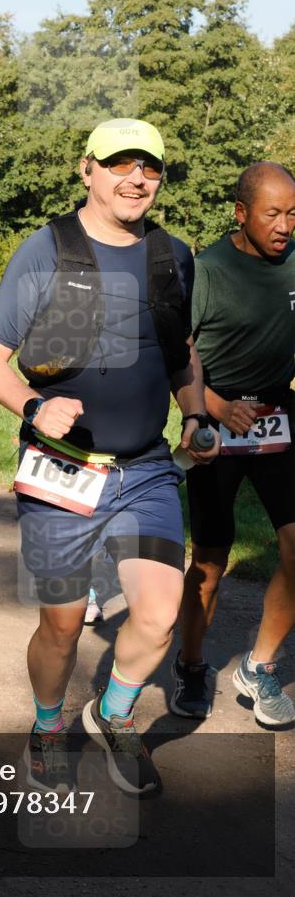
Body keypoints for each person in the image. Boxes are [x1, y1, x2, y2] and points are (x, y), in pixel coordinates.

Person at [0, 118, 218, 795]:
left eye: (151, 168)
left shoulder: (171, 255)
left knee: (162, 611)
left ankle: (115, 715)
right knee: (63, 624)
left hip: (146, 471)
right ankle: (48, 725)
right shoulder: (46, 252)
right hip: (61, 473)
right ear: (88, 170)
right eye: (120, 164)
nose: (137, 178)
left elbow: (180, 351)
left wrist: (194, 412)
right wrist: (33, 407)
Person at [173, 161, 295, 726]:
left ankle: (260, 666)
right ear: (241, 213)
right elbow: (181, 351)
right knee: (211, 560)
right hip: (215, 421)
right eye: (273, 213)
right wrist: (213, 409)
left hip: (277, 416)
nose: (284, 225)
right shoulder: (207, 270)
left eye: (293, 213)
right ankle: (192, 665)